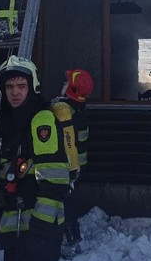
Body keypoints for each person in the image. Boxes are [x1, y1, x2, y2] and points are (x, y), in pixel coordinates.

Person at [0, 55, 70, 261]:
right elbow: (10, 176)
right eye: (9, 87)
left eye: (21, 86)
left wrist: (40, 228)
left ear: (32, 88)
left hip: (37, 232)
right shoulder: (12, 122)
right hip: (17, 230)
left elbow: (55, 181)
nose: (15, 92)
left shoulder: (41, 120)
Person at [50, 69, 94, 258]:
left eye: (66, 83)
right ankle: (72, 240)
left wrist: (71, 170)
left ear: (72, 89)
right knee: (67, 203)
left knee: (63, 205)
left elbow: (69, 142)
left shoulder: (64, 110)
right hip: (75, 168)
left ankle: (70, 243)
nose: (63, 85)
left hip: (66, 168)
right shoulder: (79, 109)